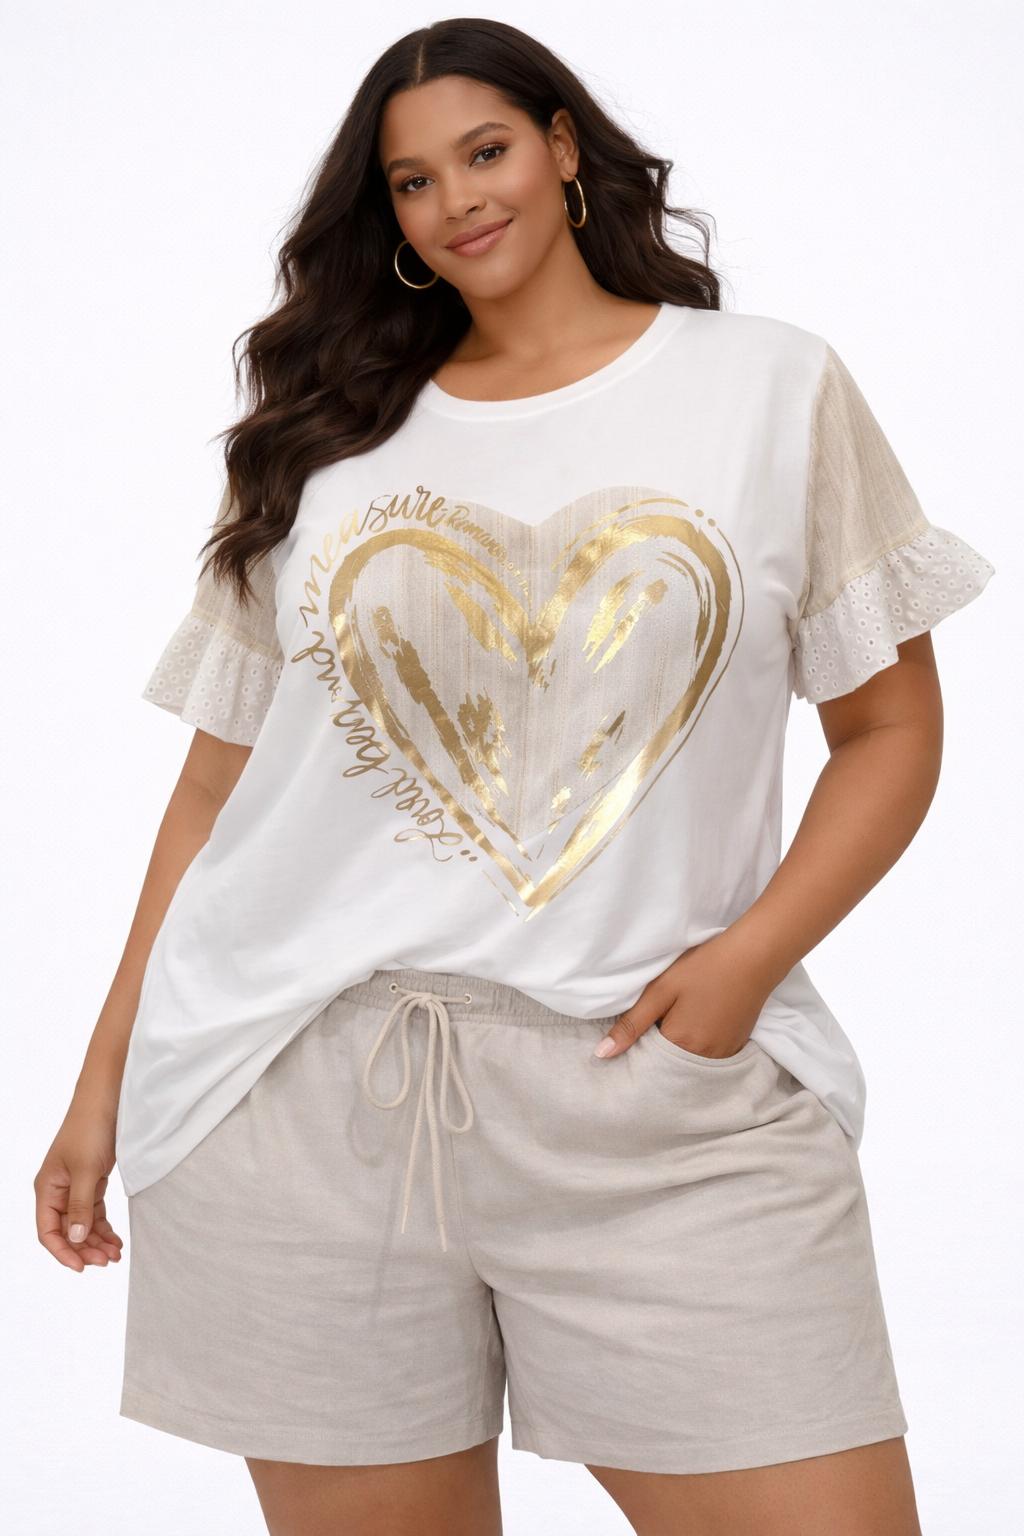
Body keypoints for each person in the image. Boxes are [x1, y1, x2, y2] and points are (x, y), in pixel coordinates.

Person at [34, 18, 993, 1536]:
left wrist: (746, 965)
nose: (456, 201)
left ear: (561, 145)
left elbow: (889, 731)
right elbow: (217, 793)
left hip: (652, 1097)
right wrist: (99, 1087)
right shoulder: (321, 440)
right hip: (301, 1099)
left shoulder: (768, 388)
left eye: (483, 152)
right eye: (412, 181)